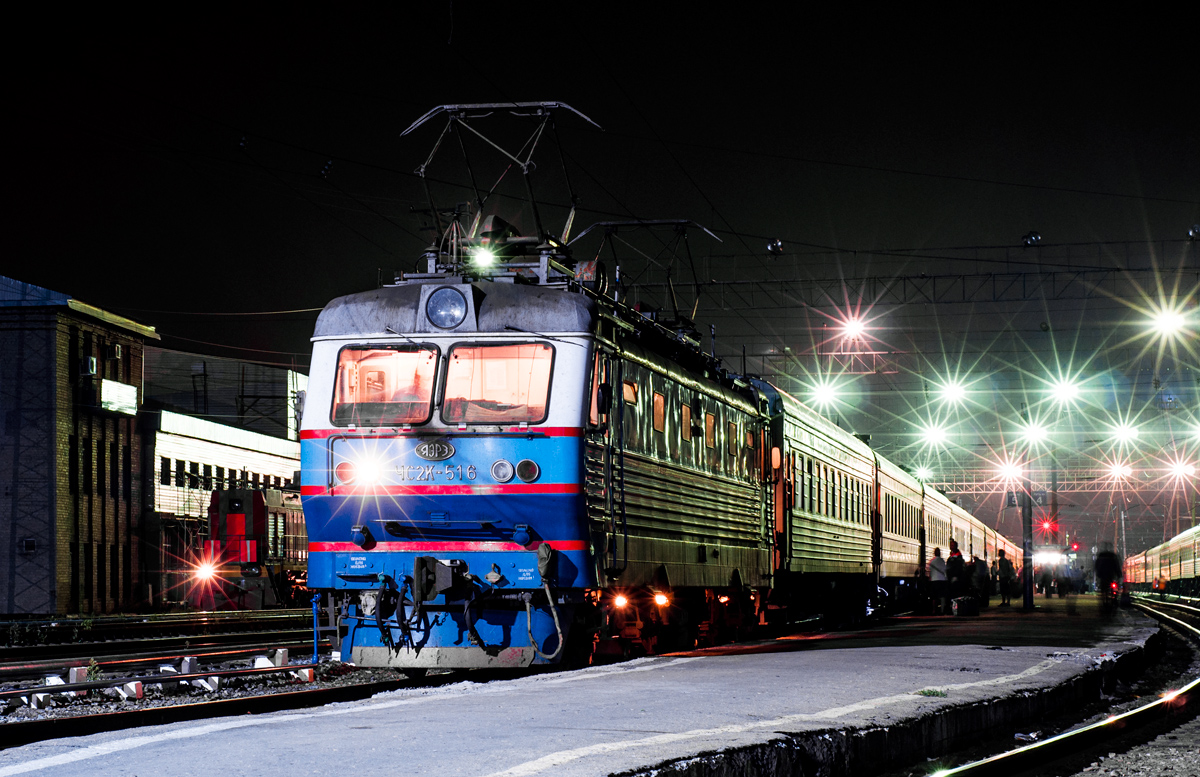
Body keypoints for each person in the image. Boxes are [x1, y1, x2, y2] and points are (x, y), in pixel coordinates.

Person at [928, 547, 948, 615]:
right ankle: (942, 610)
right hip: (942, 580)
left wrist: (930, 578)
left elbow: (930, 572)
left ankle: (934, 610)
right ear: (940, 553)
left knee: (934, 597)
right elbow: (945, 570)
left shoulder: (932, 561)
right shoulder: (942, 561)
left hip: (934, 580)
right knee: (942, 596)